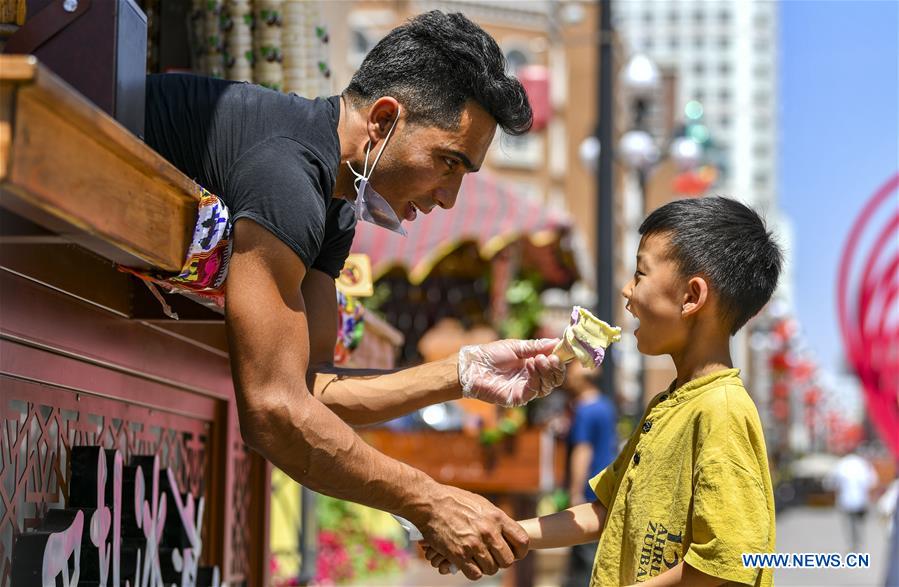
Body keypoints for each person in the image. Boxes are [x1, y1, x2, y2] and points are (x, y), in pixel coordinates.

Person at [143, 11, 566, 580]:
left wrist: (462, 373)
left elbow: (309, 389)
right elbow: (272, 411)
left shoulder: (336, 198)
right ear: (385, 118)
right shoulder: (290, 173)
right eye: (448, 163)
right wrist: (429, 500)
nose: (447, 198)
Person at [425, 197, 784, 585]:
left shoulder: (722, 409)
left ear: (691, 297)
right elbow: (603, 511)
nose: (627, 291)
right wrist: (504, 532)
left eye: (640, 273)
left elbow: (727, 562)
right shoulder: (667, 403)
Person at [561, 362, 618, 587]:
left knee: (583, 560)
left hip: (588, 490)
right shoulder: (606, 405)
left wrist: (574, 492)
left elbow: (582, 451)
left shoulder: (585, 410)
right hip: (605, 485)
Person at [830, 448, 878, 551]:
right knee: (859, 523)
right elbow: (872, 481)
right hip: (861, 499)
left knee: (849, 523)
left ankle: (852, 545)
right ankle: (858, 544)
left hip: (845, 500)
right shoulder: (863, 464)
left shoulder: (841, 464)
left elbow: (833, 482)